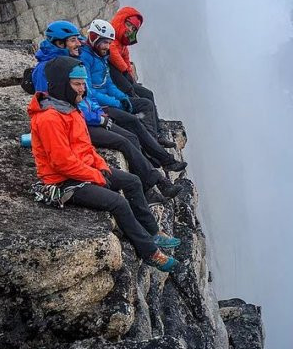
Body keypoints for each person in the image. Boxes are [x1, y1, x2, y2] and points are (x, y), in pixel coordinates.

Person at [27, 56, 181, 272]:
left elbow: (86, 147)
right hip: (63, 182)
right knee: (117, 202)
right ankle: (150, 253)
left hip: (83, 170)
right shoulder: (50, 119)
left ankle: (153, 232)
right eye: (77, 84)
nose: (82, 89)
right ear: (62, 84)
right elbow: (62, 163)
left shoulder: (70, 110)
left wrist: (100, 165)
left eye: (83, 84)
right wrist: (96, 176)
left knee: (133, 181)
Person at [32, 21, 185, 198]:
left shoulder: (69, 63)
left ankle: (155, 182)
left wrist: (103, 109)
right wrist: (98, 117)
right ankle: (154, 185)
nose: (79, 43)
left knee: (130, 136)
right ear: (60, 43)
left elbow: (85, 97)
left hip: (83, 120)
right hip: (75, 127)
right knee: (125, 140)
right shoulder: (47, 70)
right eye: (73, 40)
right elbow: (61, 106)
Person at [78, 20, 186, 170]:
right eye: (104, 43)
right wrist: (117, 102)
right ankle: (165, 159)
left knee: (145, 104)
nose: (107, 47)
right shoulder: (85, 58)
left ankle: (153, 143)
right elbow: (89, 91)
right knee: (133, 123)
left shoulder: (100, 57)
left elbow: (108, 83)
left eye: (109, 43)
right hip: (100, 105)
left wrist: (122, 97)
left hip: (109, 101)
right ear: (95, 38)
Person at [108, 6, 157, 103]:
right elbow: (112, 52)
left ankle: (155, 118)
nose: (130, 30)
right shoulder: (109, 35)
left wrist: (130, 75)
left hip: (121, 78)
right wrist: (126, 72)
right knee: (145, 97)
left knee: (148, 94)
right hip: (114, 79)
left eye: (133, 28)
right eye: (128, 24)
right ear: (120, 20)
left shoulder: (122, 44)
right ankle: (154, 117)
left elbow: (126, 59)